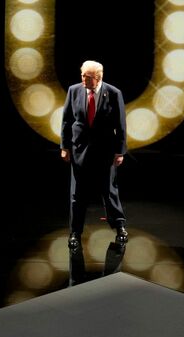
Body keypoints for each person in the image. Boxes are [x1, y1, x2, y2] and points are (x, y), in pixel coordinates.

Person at [61, 60, 128, 249]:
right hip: (79, 149)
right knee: (77, 194)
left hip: (105, 150)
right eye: (82, 75)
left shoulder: (113, 93)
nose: (83, 79)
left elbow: (121, 125)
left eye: (87, 77)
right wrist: (65, 147)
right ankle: (75, 232)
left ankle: (119, 226)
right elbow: (66, 121)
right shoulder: (74, 91)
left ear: (98, 78)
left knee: (109, 191)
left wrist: (120, 151)